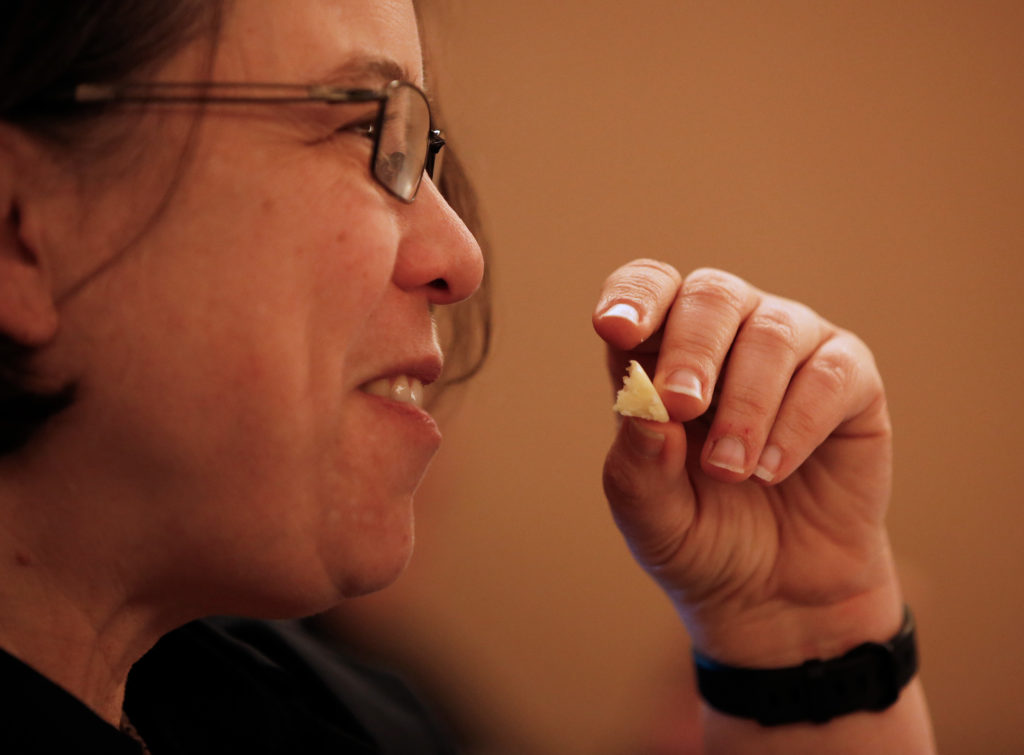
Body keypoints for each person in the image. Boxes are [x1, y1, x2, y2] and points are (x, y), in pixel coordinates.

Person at [0, 1, 935, 753]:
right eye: (370, 133)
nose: (462, 257)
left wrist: (796, 642)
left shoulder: (337, 715)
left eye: (423, 152)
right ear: (19, 230)